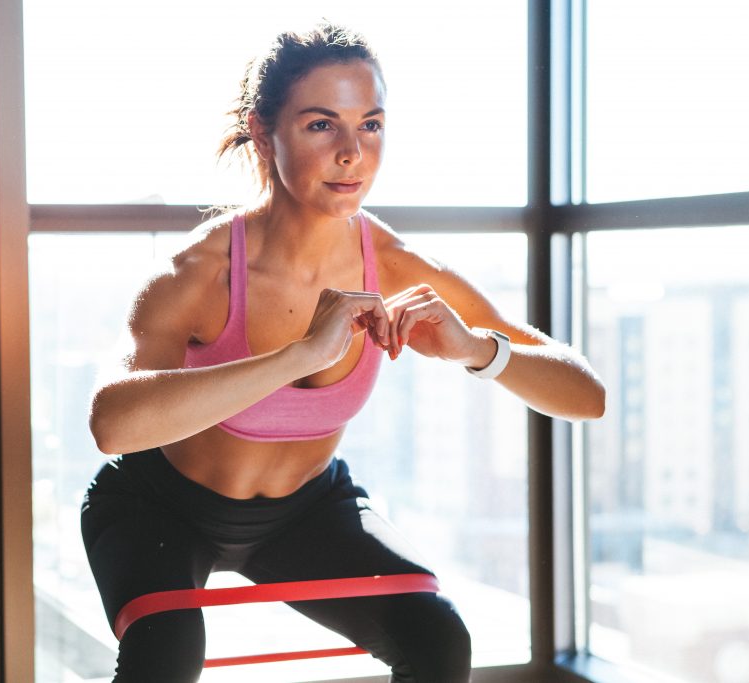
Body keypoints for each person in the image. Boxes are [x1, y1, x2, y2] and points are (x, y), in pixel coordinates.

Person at [82, 22, 605, 683]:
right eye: (322, 125)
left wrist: (478, 349)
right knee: (167, 651)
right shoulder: (201, 271)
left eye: (372, 124)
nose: (353, 153)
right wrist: (298, 355)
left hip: (304, 510)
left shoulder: (393, 264)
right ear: (264, 130)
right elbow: (112, 425)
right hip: (158, 505)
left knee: (439, 641)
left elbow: (587, 396)